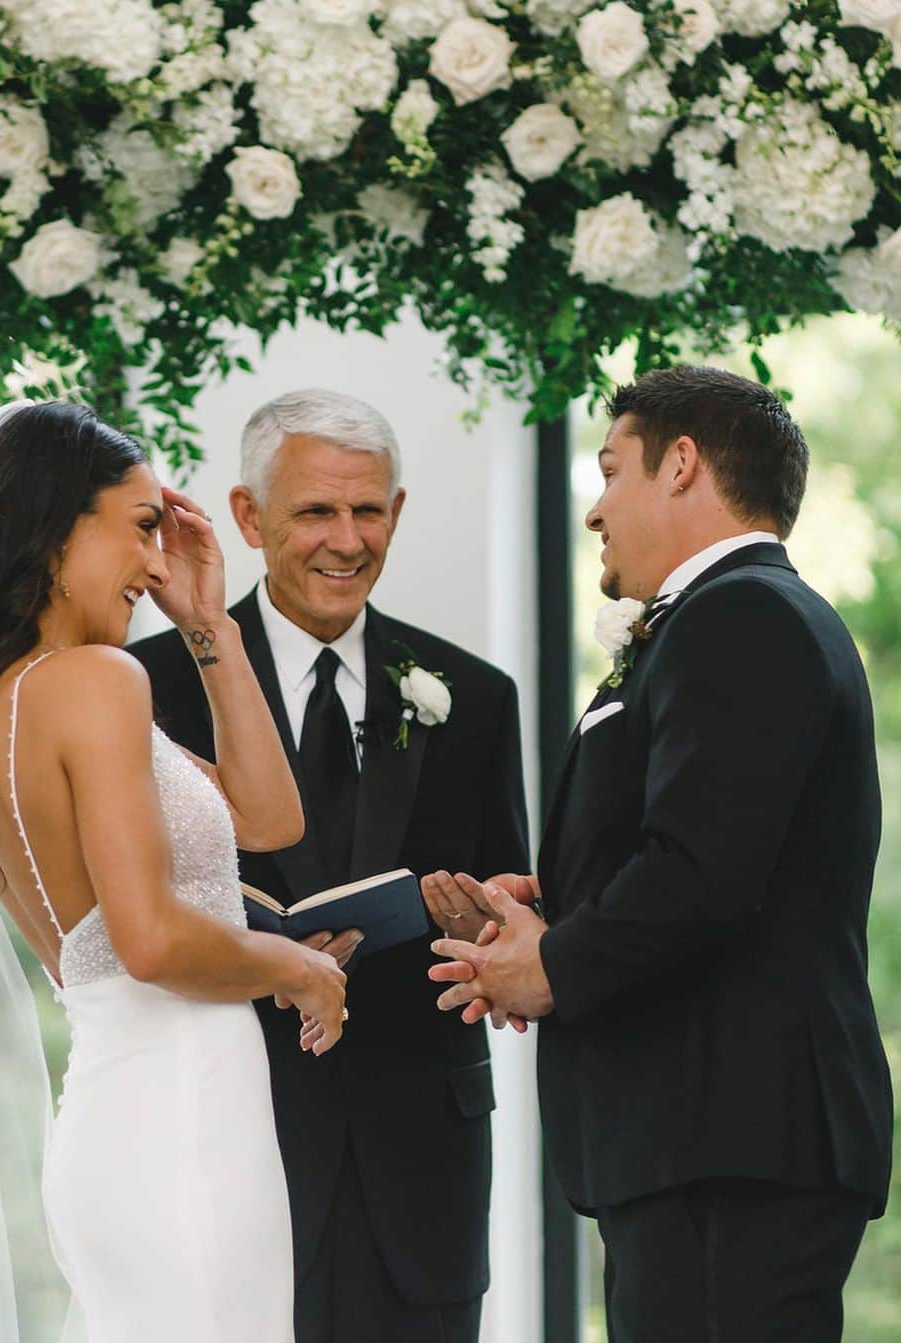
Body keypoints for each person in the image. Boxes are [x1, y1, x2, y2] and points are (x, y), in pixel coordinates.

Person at [0, 400, 346, 1342]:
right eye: (143, 528)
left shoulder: (6, 700)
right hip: (184, 1127)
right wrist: (303, 969)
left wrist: (207, 625)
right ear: (56, 526)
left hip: (119, 1124)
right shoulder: (99, 683)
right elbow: (147, 938)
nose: (158, 563)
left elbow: (269, 818)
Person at [428, 366, 893, 1343]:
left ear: (681, 463)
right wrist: (554, 897)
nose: (595, 511)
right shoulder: (719, 621)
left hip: (729, 1139)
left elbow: (702, 873)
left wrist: (551, 964)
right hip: (701, 1137)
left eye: (610, 472)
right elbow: (721, 841)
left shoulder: (744, 616)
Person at [130, 388, 529, 1343]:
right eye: (316, 511)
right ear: (249, 516)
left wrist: (484, 929)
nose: (346, 539)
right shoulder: (147, 688)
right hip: (231, 1131)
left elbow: (510, 899)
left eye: (369, 510)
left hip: (420, 1155)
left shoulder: (473, 695)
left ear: (396, 512)